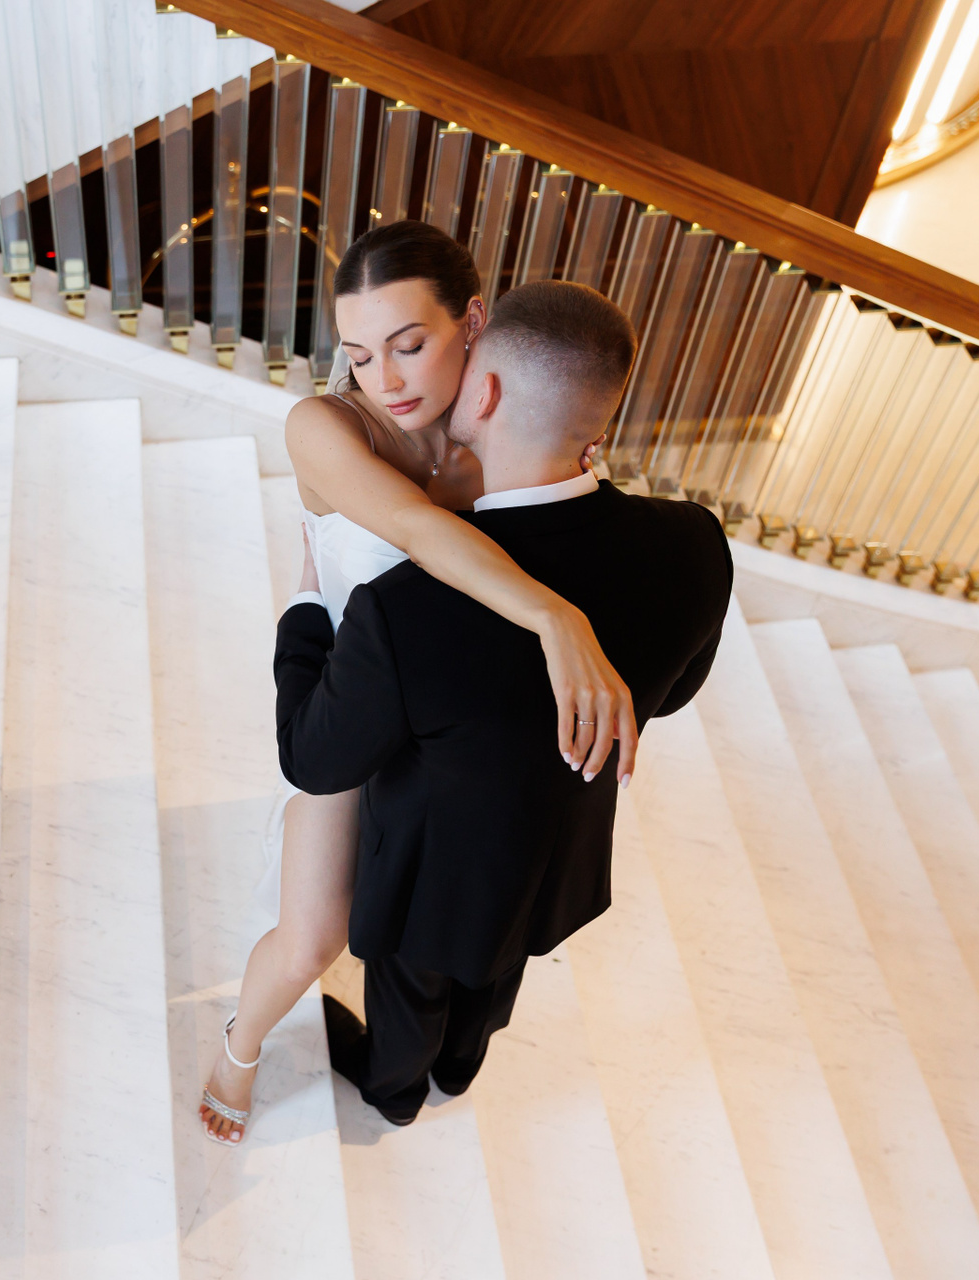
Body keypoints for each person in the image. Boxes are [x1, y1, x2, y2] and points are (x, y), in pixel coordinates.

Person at [199, 222, 636, 1145]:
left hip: (445, 719)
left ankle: (430, 1049)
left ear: (472, 322)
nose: (384, 380)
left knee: (447, 907)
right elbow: (422, 532)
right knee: (313, 936)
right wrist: (559, 619)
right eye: (359, 355)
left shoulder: (500, 429)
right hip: (353, 698)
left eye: (408, 345)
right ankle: (238, 1046)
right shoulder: (327, 427)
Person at [274, 278, 732, 1124]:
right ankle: (459, 1069)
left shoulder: (405, 607)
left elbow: (311, 757)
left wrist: (306, 608)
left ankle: (396, 1090)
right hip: (558, 857)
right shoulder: (695, 542)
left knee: (412, 995)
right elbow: (670, 696)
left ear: (483, 393)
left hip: (432, 880)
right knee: (496, 978)